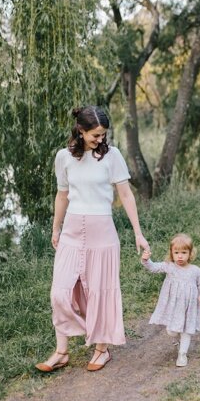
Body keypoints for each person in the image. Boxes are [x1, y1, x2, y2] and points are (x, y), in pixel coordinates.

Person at [35, 105, 149, 373]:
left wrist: (138, 233)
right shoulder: (63, 157)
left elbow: (126, 195)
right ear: (81, 130)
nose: (100, 140)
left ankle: (102, 349)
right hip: (72, 231)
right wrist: (55, 228)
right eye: (95, 135)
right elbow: (62, 195)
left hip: (102, 233)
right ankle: (61, 352)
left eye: (103, 135)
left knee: (99, 292)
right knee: (59, 292)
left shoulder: (112, 157)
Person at [141, 234, 200, 367]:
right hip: (173, 306)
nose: (180, 256)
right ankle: (176, 335)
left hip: (189, 307)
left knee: (186, 329)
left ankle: (182, 354)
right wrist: (146, 260)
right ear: (171, 253)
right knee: (172, 331)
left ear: (190, 253)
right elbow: (153, 267)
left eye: (184, 253)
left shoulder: (195, 270)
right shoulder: (169, 266)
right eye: (176, 252)